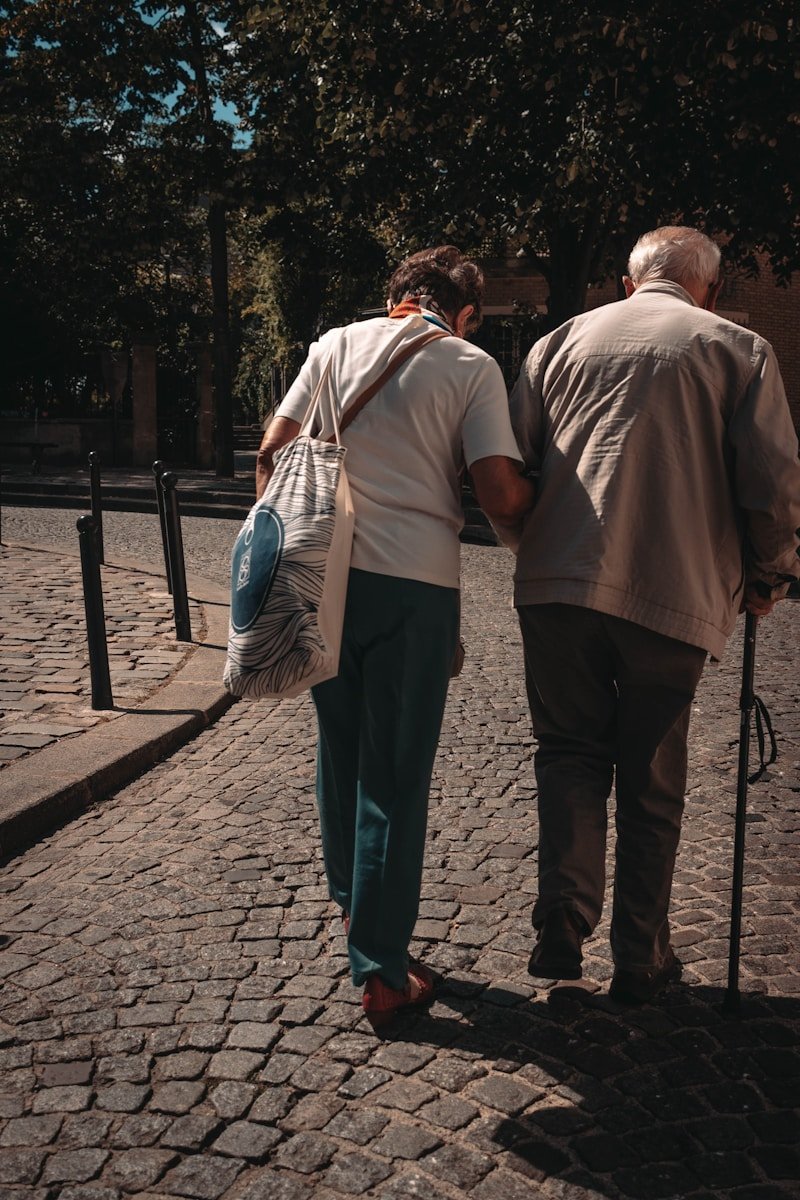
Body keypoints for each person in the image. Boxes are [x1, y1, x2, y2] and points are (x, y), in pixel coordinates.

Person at [509, 226, 800, 1004]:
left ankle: (563, 923)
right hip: (669, 591)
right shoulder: (738, 347)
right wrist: (770, 575)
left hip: (557, 586)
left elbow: (512, 471)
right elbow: (771, 483)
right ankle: (641, 955)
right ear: (709, 288)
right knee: (650, 776)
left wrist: (530, 552)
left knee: (568, 753)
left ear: (631, 284)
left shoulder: (556, 343)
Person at [256, 246, 535, 1025]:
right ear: (466, 310)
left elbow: (273, 451)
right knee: (396, 774)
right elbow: (497, 488)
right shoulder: (470, 365)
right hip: (414, 585)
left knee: (339, 753)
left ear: (395, 298)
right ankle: (382, 970)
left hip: (326, 577)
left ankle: (357, 912)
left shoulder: (334, 345)